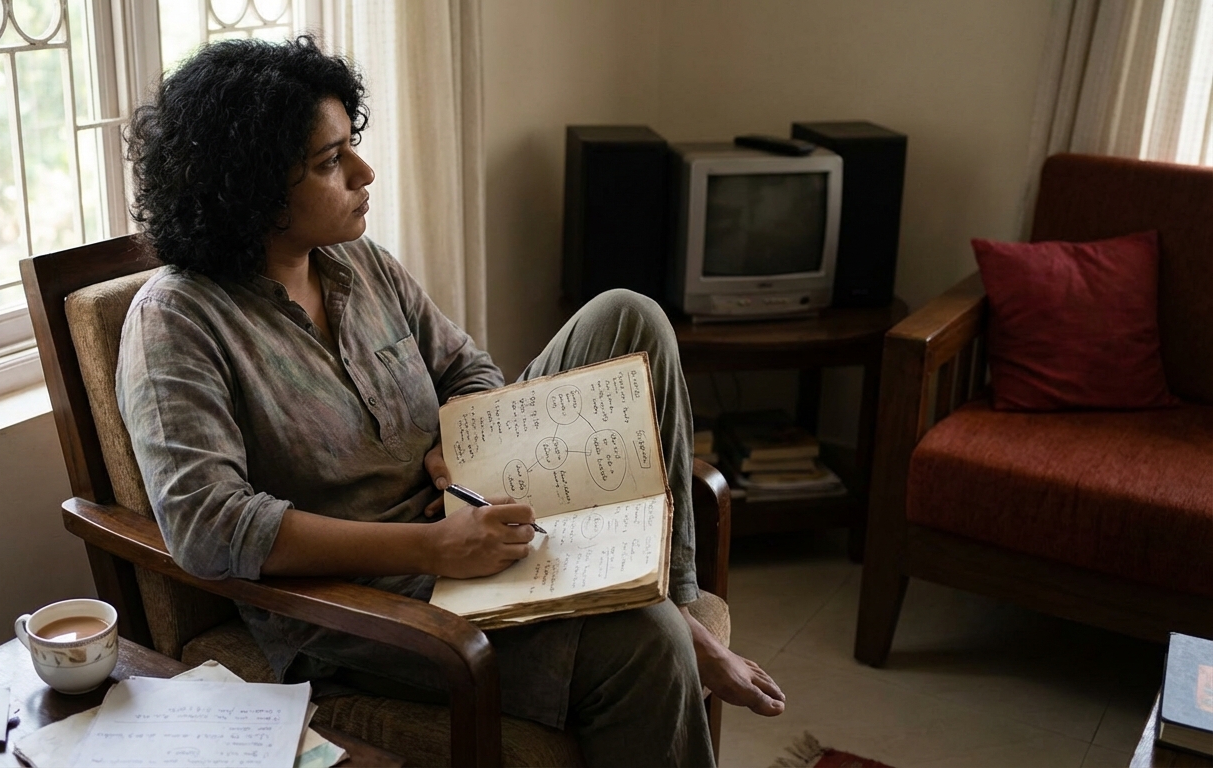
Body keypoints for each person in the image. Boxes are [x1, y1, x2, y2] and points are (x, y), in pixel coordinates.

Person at [117, 35, 784, 767]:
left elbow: (468, 370)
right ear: (250, 191)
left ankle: (678, 604)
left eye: (351, 146)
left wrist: (458, 450)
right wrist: (434, 547)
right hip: (363, 602)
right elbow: (207, 525)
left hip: (464, 516)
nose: (365, 172)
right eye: (331, 162)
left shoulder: (360, 263)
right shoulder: (176, 321)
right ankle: (672, 631)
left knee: (630, 318)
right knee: (645, 642)